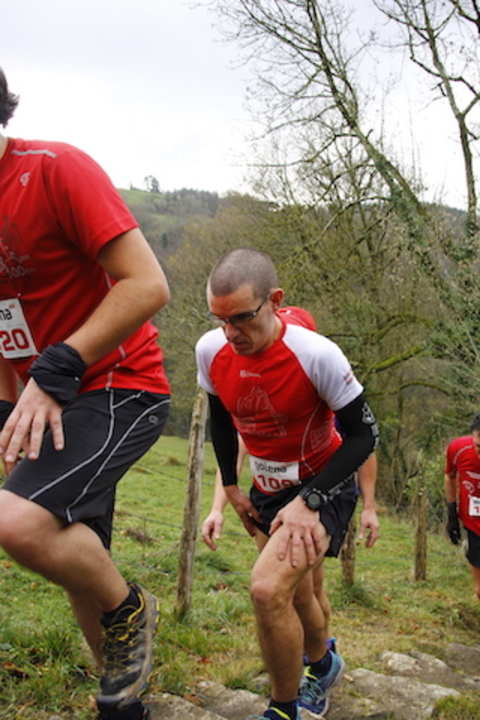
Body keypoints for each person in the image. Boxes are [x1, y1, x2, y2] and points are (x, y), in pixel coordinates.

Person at [0, 69, 171, 720]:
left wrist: (56, 369)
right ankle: (122, 708)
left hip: (119, 386)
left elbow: (148, 284)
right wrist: (7, 410)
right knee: (75, 554)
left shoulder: (54, 170)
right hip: (41, 399)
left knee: (19, 522)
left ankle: (132, 607)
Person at [196, 248, 379, 719]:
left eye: (241, 317)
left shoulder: (316, 354)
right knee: (297, 593)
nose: (230, 333)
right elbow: (220, 419)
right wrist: (231, 488)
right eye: (219, 319)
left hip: (324, 482)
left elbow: (365, 435)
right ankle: (323, 663)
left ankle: (284, 707)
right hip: (266, 488)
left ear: (274, 300)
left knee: (267, 589)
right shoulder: (210, 350)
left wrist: (311, 500)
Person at [444, 412, 480, 603]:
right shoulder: (458, 449)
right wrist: (452, 513)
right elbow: (450, 476)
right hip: (474, 522)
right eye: (479, 446)